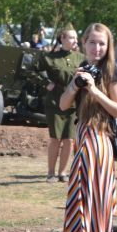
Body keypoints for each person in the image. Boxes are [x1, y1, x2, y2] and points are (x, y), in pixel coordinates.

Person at [58, 23, 117, 232]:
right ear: (84, 44)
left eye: (102, 43)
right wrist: (75, 84)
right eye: (92, 42)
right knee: (79, 203)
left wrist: (95, 91)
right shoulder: (81, 70)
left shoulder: (113, 73)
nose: (97, 48)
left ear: (108, 47)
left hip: (100, 141)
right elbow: (63, 105)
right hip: (82, 140)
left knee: (99, 202)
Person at [35, 25, 82, 182]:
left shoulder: (80, 58)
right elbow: (31, 70)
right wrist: (45, 82)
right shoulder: (50, 57)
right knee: (56, 138)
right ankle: (51, 172)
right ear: (62, 39)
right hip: (55, 101)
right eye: (71, 37)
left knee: (69, 139)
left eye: (76, 38)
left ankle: (62, 172)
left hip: (74, 103)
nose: (74, 40)